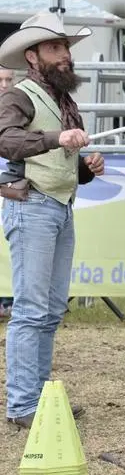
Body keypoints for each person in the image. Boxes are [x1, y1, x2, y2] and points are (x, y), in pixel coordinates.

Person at [0, 11, 105, 429]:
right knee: (30, 309)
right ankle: (23, 405)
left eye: (65, 48)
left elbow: (64, 162)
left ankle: (37, 400)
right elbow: (6, 141)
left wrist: (86, 167)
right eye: (55, 48)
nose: (65, 56)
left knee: (49, 309)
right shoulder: (18, 96)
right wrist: (57, 138)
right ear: (32, 56)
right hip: (33, 207)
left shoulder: (65, 101)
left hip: (58, 206)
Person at [0, 67, 15, 317]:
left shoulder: (19, 110)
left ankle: (8, 301)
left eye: (9, 79)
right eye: (0, 80)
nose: (5, 85)